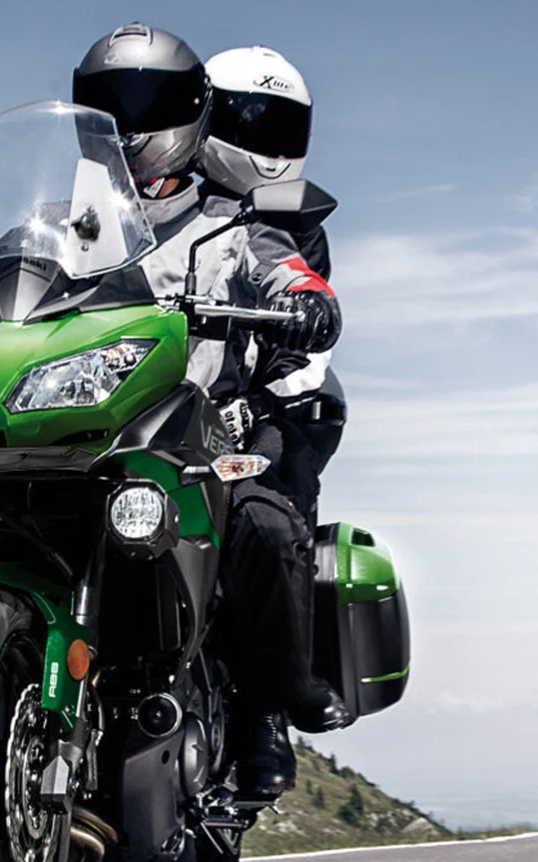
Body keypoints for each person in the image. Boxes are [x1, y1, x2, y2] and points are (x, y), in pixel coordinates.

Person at [72, 23, 350, 800]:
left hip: (225, 414)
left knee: (266, 522)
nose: (132, 125)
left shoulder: (247, 222)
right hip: (98, 415)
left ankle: (265, 712)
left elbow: (291, 280)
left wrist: (305, 307)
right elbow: (7, 271)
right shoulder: (83, 216)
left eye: (149, 106)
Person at [200, 45, 330, 280]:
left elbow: (307, 291)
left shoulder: (302, 229)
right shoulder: (178, 206)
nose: (271, 140)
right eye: (255, 124)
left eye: (284, 129)